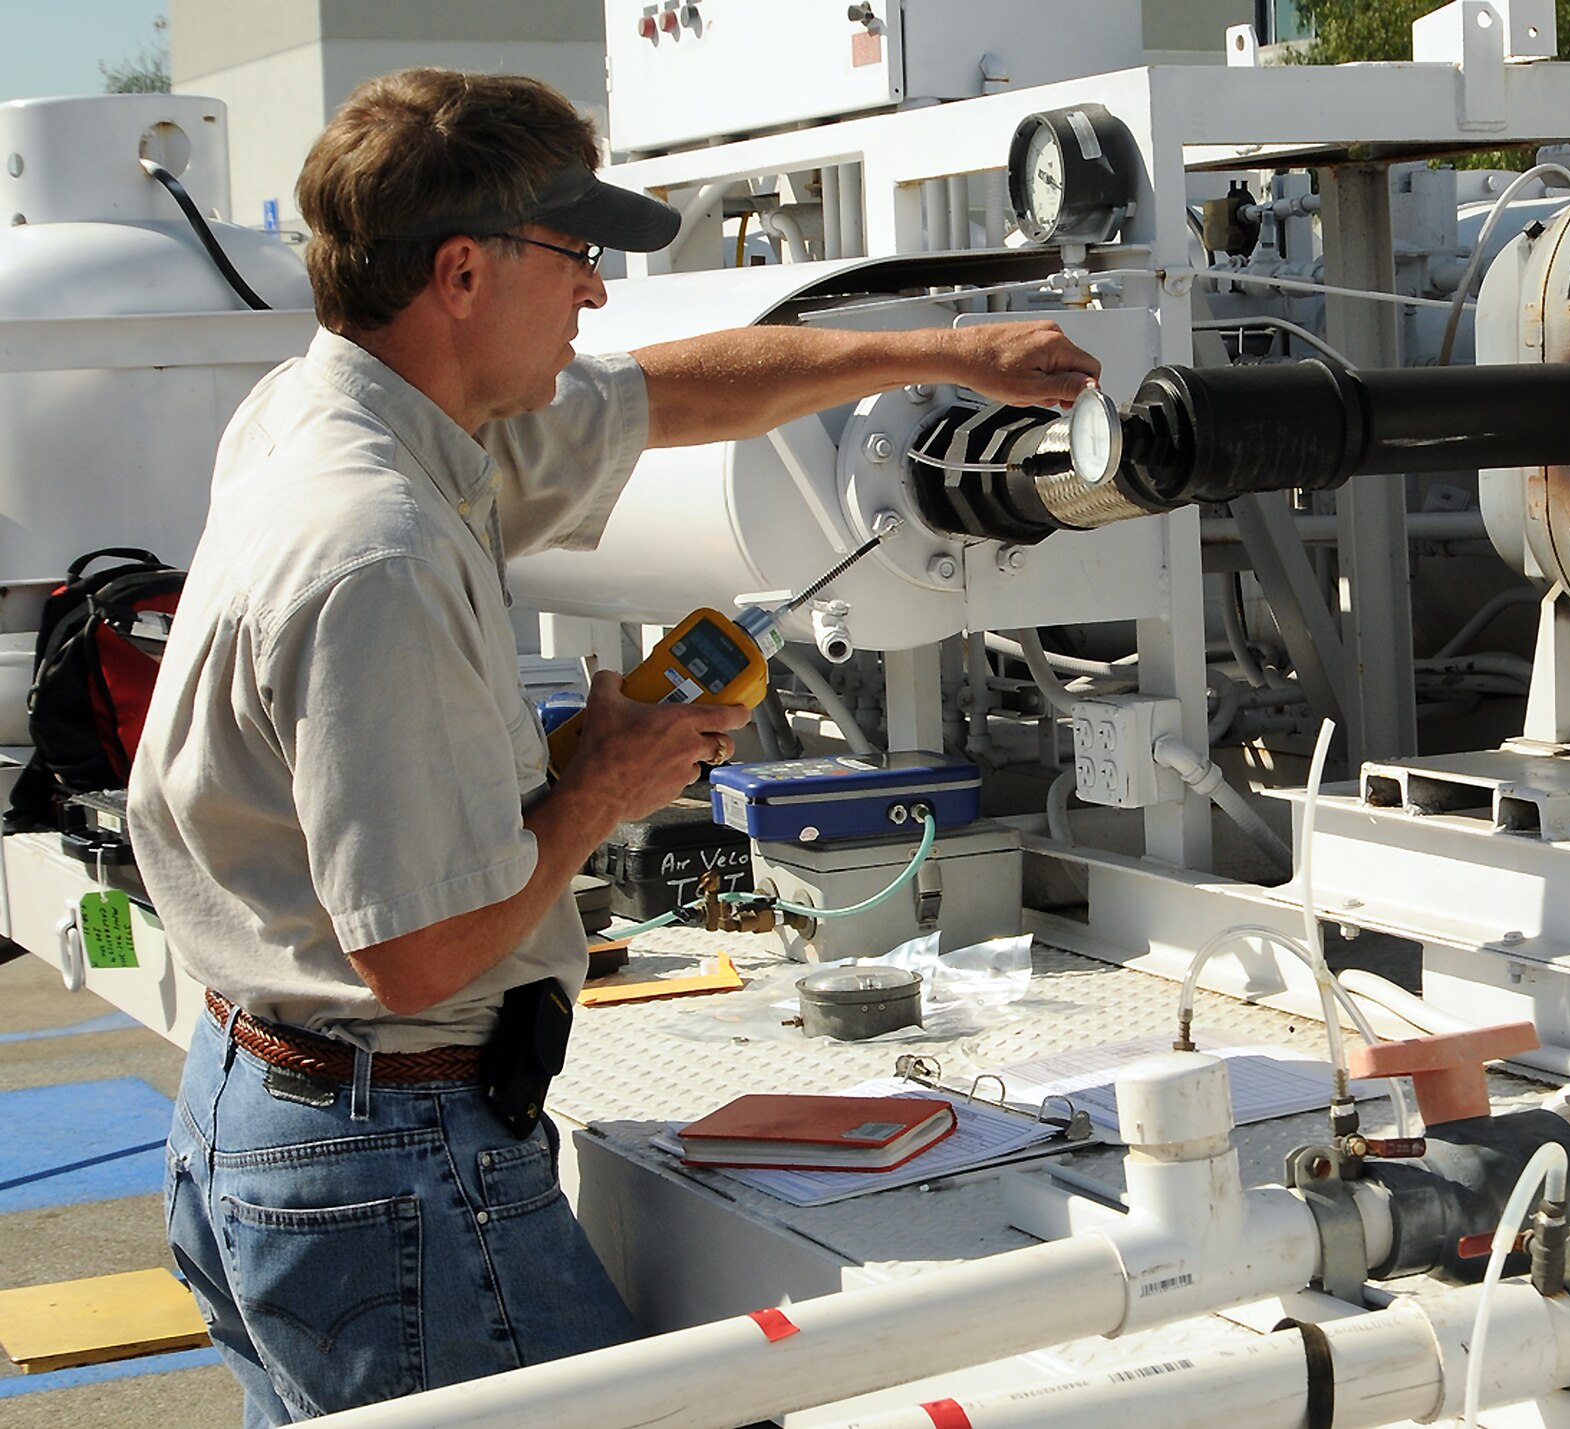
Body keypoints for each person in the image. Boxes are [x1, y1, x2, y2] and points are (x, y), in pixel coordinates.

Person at [127, 67, 1098, 1425]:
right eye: (576, 256)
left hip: (280, 1111)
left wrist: (944, 354)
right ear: (461, 273)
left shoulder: (336, 418)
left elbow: (668, 395)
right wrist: (598, 789)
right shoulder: (379, 546)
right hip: (388, 1161)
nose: (595, 293)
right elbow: (415, 953)